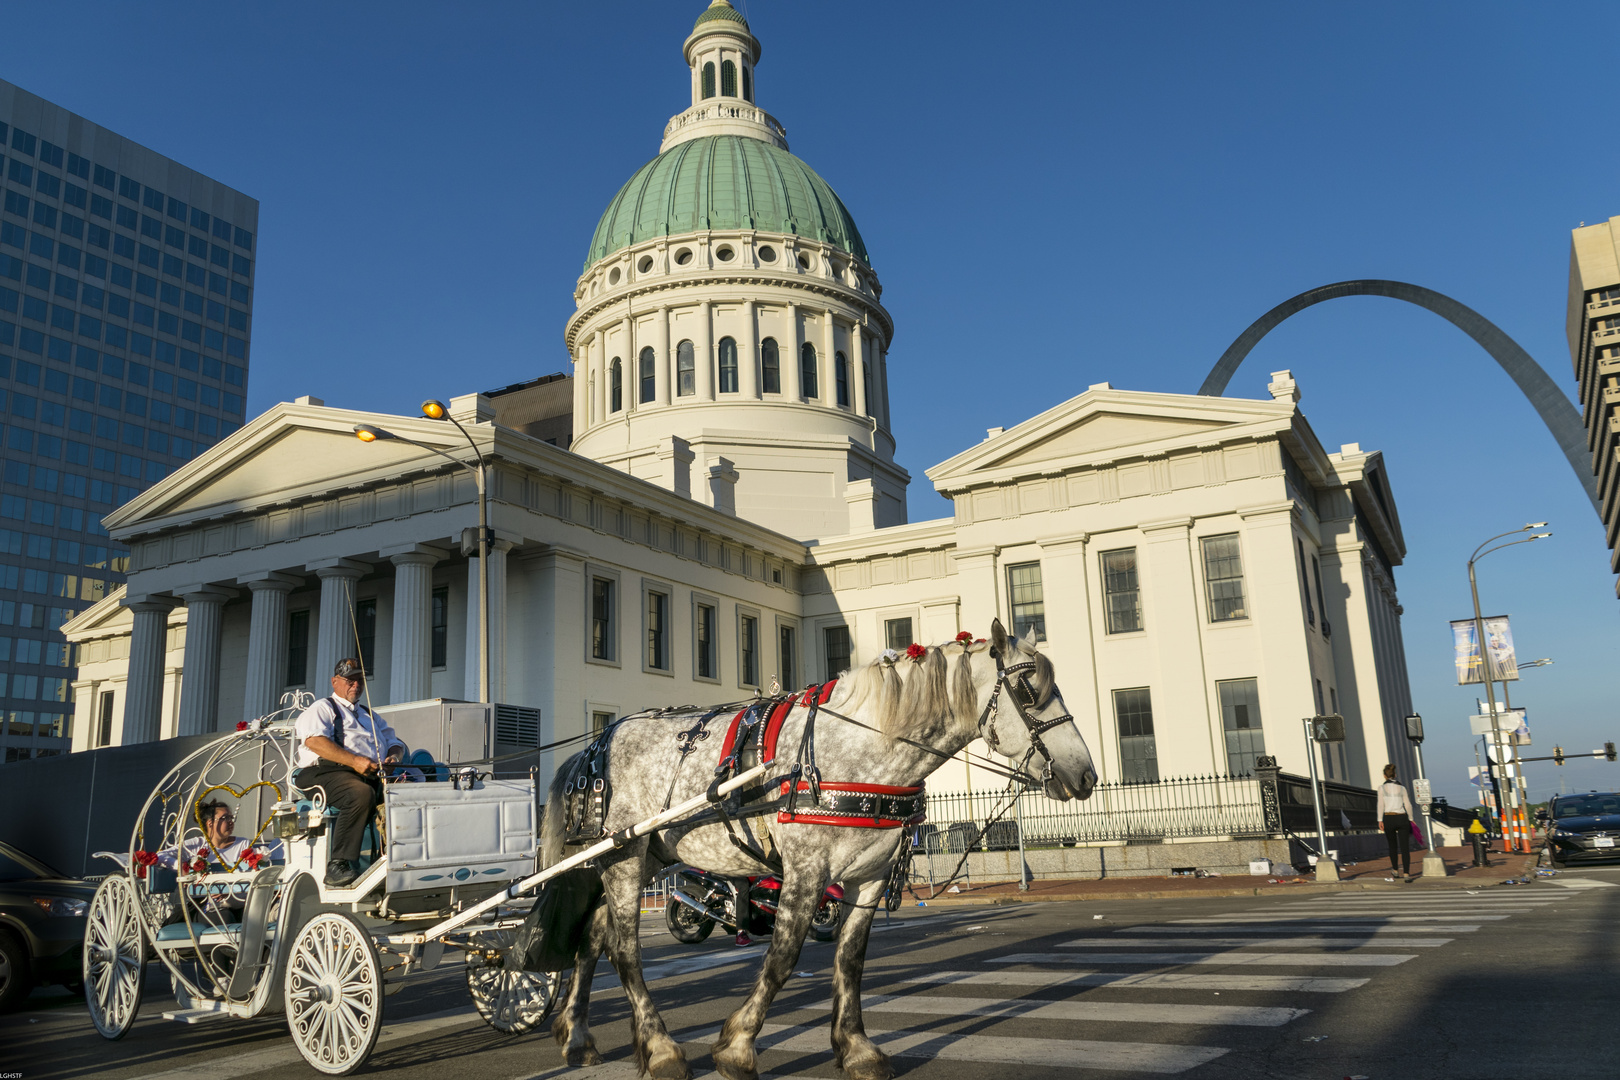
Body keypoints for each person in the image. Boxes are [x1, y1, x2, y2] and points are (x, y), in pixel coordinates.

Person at [293, 658, 413, 887]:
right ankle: (339, 865)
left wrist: (393, 758)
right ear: (335, 682)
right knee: (360, 793)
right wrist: (354, 761)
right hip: (322, 773)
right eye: (350, 680)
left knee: (408, 794)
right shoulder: (323, 707)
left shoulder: (369, 714)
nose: (355, 685)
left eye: (359, 680)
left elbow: (395, 742)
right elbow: (315, 742)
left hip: (368, 773)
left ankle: (397, 859)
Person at [1379, 763, 1416, 882]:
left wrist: (1380, 819)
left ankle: (1395, 870)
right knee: (1405, 847)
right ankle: (1406, 874)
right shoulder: (1402, 788)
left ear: (1385, 776)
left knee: (1392, 846)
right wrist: (1411, 819)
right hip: (1402, 817)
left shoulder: (1381, 788)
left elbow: (1380, 805)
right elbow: (1408, 805)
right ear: (1395, 775)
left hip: (1388, 817)